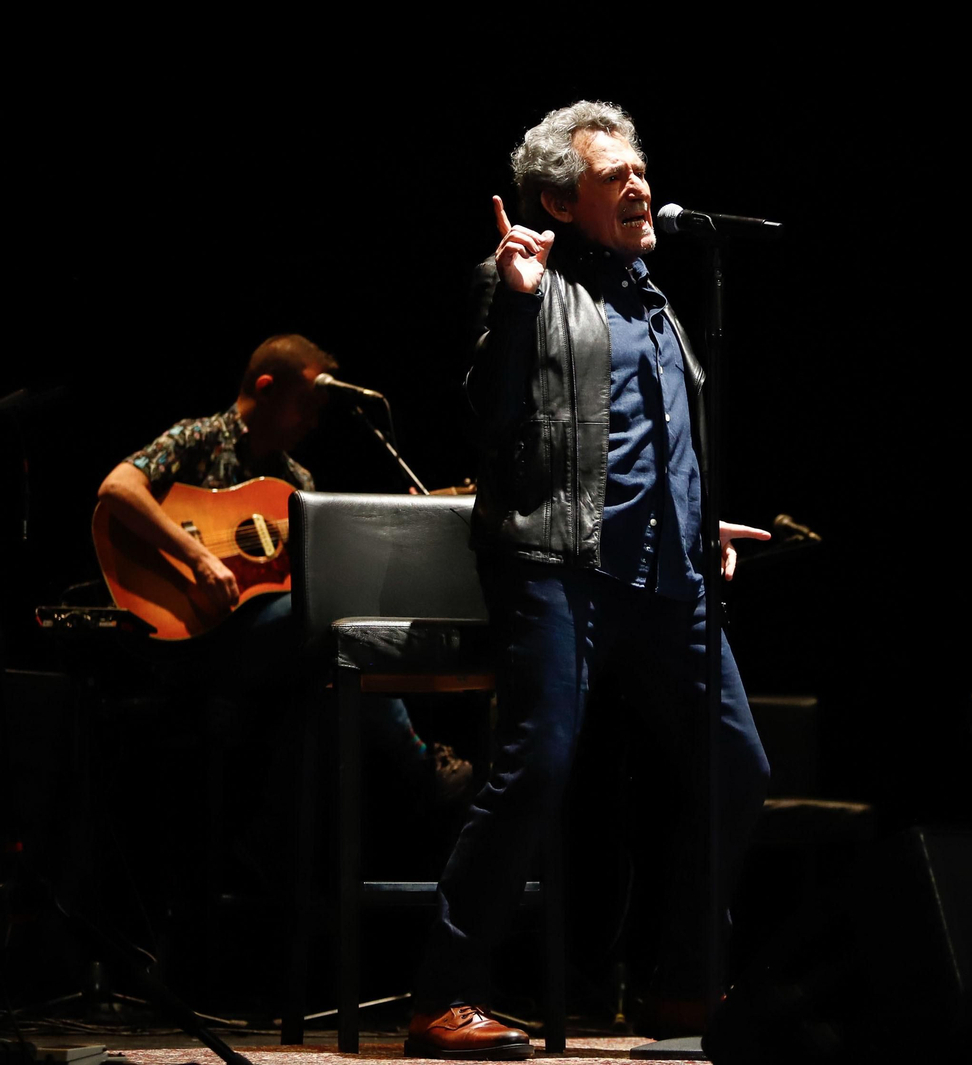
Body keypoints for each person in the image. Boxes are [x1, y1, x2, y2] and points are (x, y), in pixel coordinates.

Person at [404, 102, 771, 1059]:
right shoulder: (518, 278)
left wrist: (699, 519)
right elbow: (488, 418)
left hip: (669, 576)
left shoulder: (657, 302)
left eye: (642, 171)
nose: (642, 187)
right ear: (562, 201)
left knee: (738, 764)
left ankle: (685, 986)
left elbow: (654, 441)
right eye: (618, 178)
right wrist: (520, 300)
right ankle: (444, 992)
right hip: (557, 564)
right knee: (540, 766)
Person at [96, 335, 471, 813]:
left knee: (333, 663)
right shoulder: (198, 438)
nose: (313, 423)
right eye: (305, 407)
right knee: (338, 633)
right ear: (266, 388)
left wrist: (391, 529)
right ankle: (419, 766)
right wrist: (198, 558)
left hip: (259, 648)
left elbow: (310, 586)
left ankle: (285, 850)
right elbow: (117, 488)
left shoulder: (297, 484)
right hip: (186, 636)